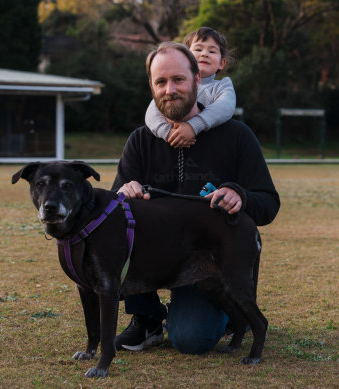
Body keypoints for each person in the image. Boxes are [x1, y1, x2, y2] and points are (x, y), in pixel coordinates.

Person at [111, 41, 280, 354]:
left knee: (192, 340)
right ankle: (146, 318)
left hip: (205, 263)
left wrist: (239, 196)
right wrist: (122, 194)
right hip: (154, 259)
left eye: (178, 80)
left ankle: (229, 312)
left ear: (197, 80)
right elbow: (108, 213)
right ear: (151, 85)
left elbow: (268, 204)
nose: (170, 89)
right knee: (117, 237)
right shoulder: (140, 141)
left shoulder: (237, 136)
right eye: (160, 82)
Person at [145, 27, 236, 149]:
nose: (204, 54)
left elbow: (225, 107)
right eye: (198, 49)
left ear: (222, 63)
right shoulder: (170, 89)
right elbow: (152, 113)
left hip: (211, 146)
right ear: (186, 57)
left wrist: (193, 126)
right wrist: (168, 133)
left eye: (212, 51)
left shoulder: (222, 85)